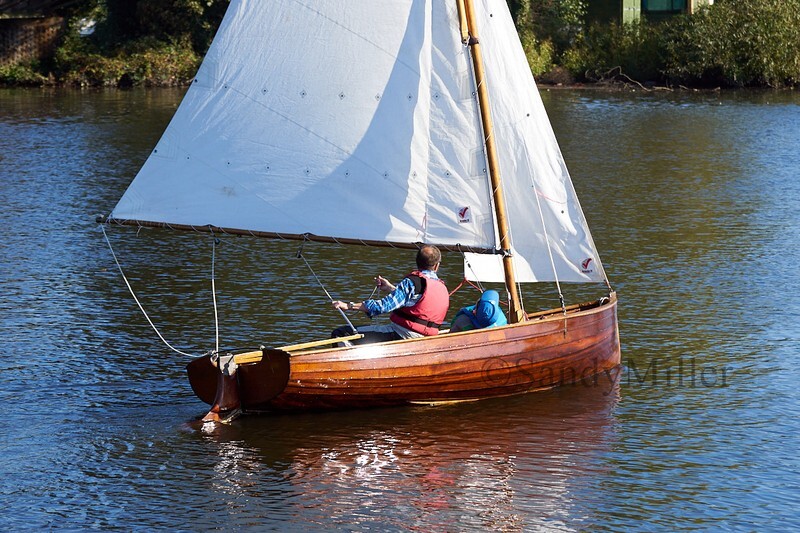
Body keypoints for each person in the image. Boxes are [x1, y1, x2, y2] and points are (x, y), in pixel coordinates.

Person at [331, 244, 449, 344]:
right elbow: (418, 301)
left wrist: (349, 306)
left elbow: (382, 306)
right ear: (436, 266)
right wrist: (391, 288)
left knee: (341, 334)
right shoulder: (442, 287)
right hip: (427, 338)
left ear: (417, 262)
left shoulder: (412, 282)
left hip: (403, 334)